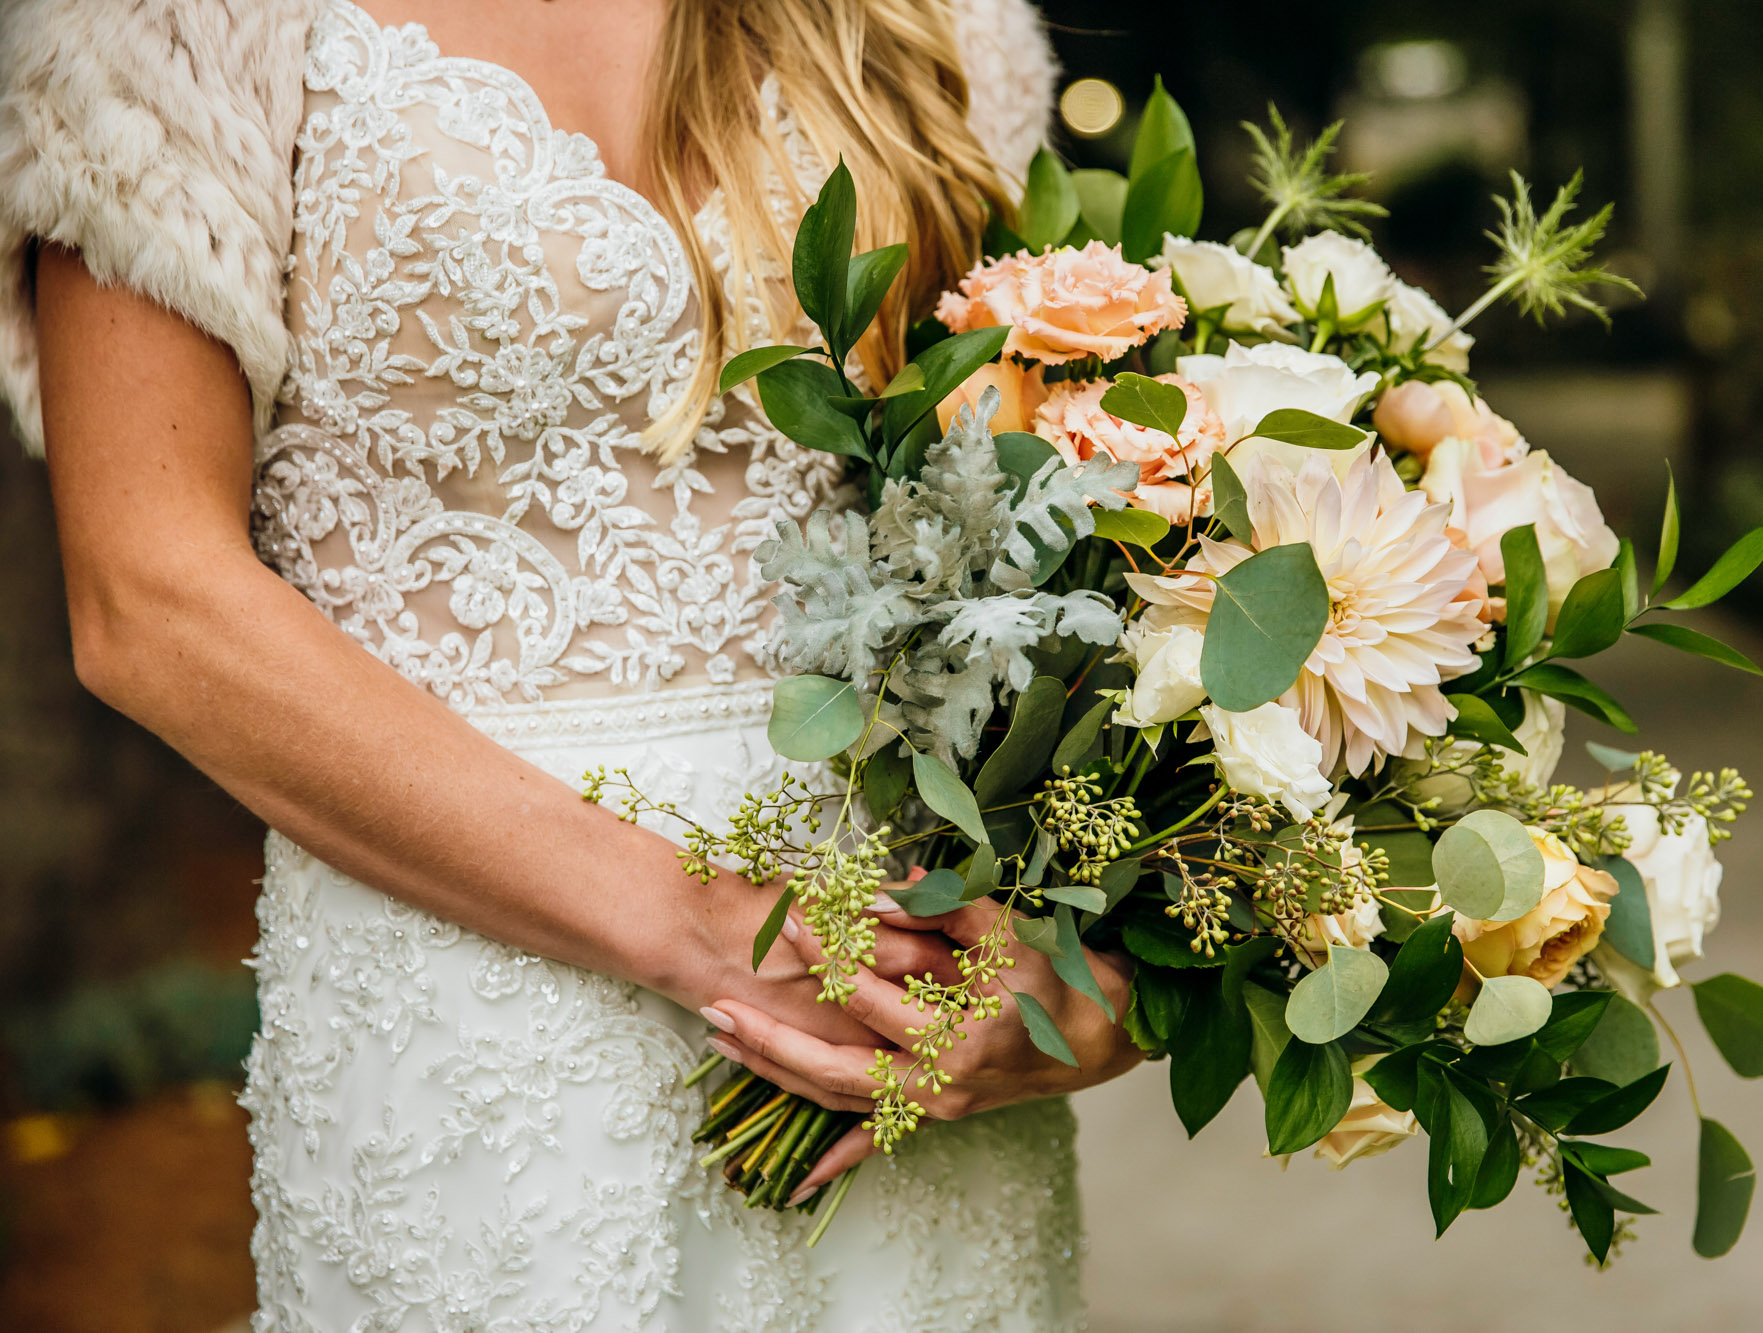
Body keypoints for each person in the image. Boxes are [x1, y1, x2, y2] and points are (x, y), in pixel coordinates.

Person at [0, 1, 1140, 1326]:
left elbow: (1037, 511)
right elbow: (152, 598)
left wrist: (1089, 974)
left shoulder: (939, 19)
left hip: (892, 1014)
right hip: (477, 1025)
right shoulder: (165, 25)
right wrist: (708, 929)